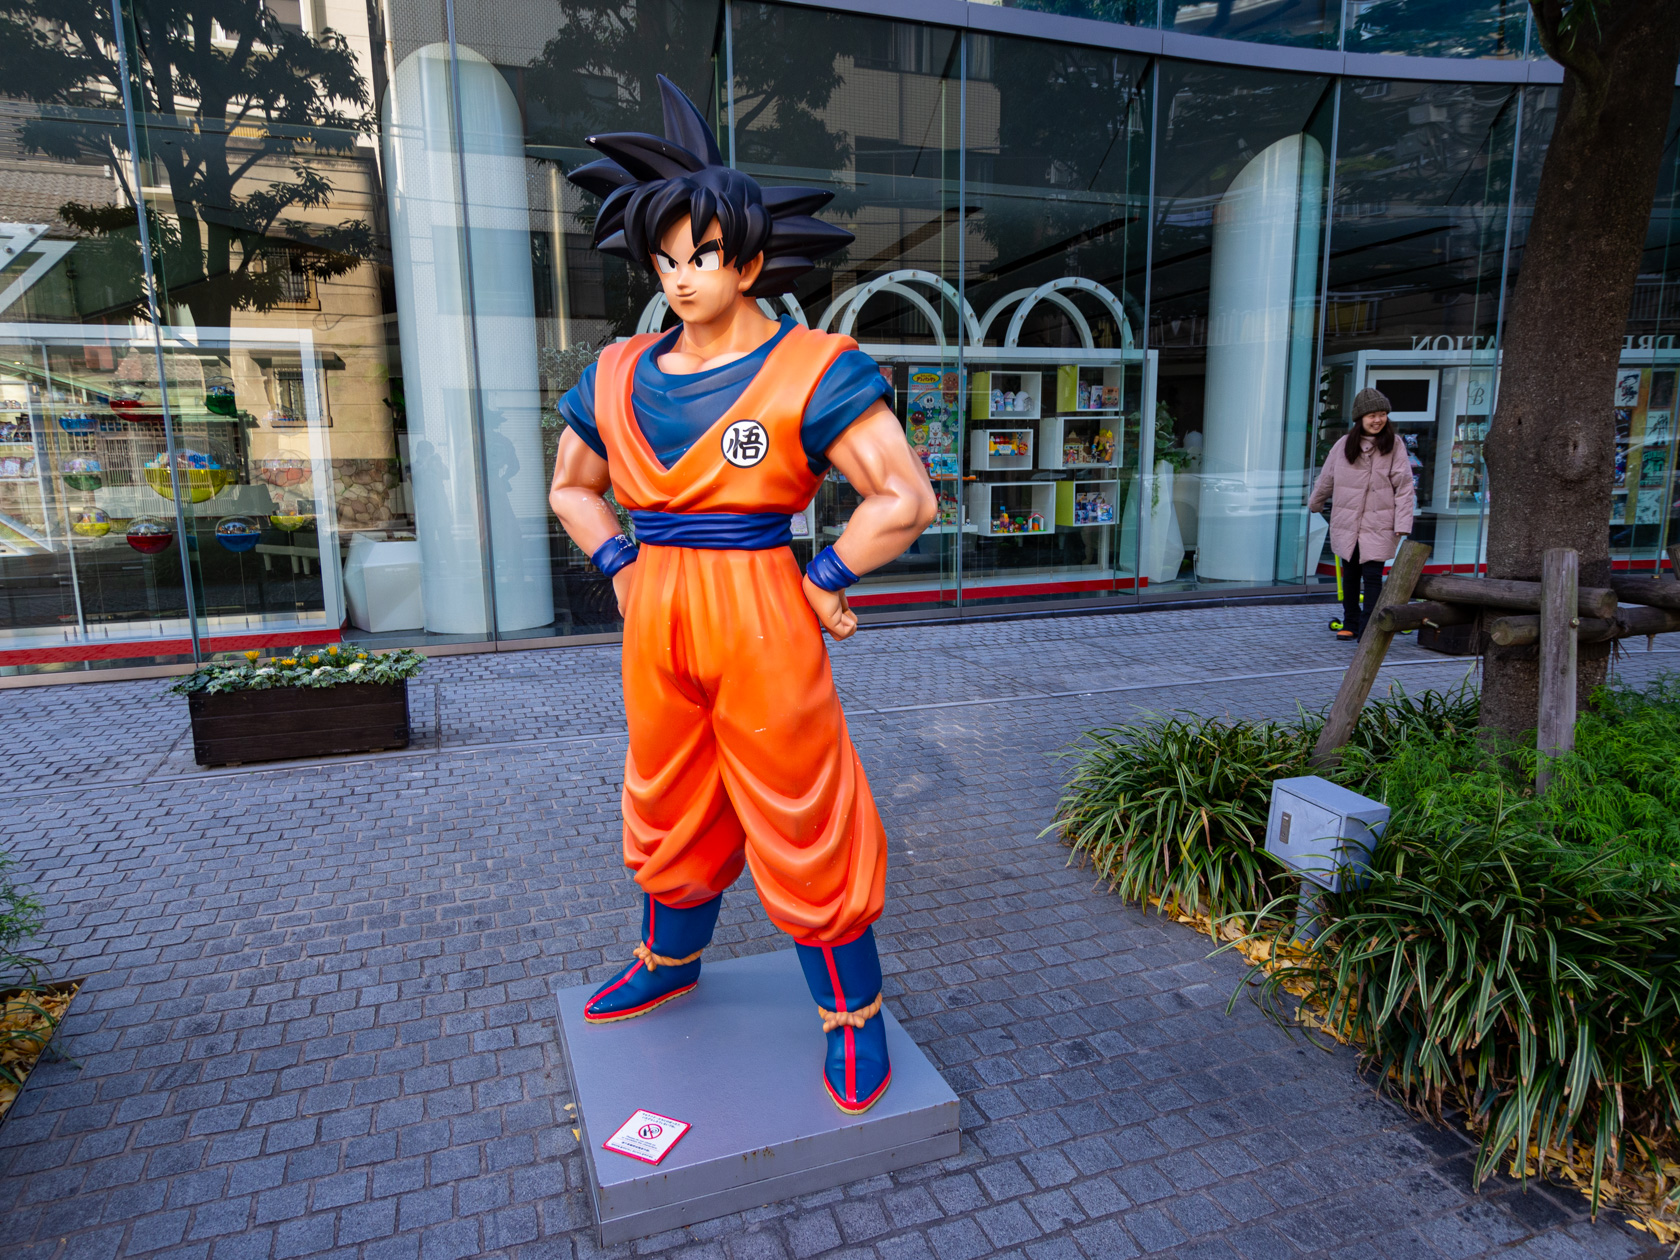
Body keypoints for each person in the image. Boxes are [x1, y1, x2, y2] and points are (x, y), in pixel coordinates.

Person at [547, 77, 937, 1115]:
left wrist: (825, 576)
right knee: (665, 793)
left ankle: (853, 1013)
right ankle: (667, 960)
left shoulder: (814, 368)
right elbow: (572, 486)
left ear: (750, 262)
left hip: (761, 606)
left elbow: (903, 496)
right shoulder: (615, 372)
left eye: (704, 255)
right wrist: (620, 564)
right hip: (656, 607)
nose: (683, 277)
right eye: (666, 259)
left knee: (801, 804)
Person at [1308, 387, 1415, 641]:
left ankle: (1369, 627)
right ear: (1360, 418)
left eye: (1382, 414)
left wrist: (1402, 523)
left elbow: (1404, 486)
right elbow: (1327, 478)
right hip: (1347, 521)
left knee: (1373, 576)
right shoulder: (1344, 444)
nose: (1378, 420)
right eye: (1371, 415)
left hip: (1379, 522)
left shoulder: (1394, 445)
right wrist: (1315, 503)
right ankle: (1351, 622)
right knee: (1351, 575)